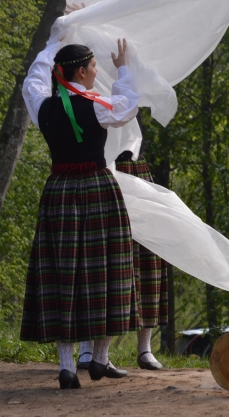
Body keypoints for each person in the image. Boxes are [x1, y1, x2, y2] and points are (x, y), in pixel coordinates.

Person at [20, 37, 141, 389]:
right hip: (96, 190)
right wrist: (123, 70)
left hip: (58, 191)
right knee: (105, 269)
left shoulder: (42, 105)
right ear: (80, 70)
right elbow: (129, 106)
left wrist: (54, 40)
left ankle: (67, 365)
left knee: (61, 273)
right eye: (92, 67)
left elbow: (34, 81)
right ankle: (100, 358)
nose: (95, 72)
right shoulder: (98, 106)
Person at [77, 150, 168, 372]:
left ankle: (144, 348)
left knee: (147, 257)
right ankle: (87, 347)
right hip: (97, 168)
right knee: (95, 261)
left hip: (134, 169)